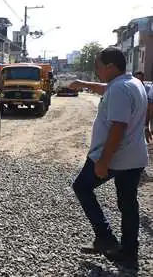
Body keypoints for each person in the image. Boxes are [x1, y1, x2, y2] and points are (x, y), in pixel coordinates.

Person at [69, 47, 150, 271]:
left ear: (111, 66)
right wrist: (84, 84)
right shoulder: (131, 83)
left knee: (82, 187)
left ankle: (105, 237)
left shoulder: (119, 90)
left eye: (98, 66)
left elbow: (118, 126)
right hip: (134, 158)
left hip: (115, 157)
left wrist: (104, 161)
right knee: (128, 205)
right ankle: (129, 254)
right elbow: (107, 88)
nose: (96, 71)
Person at [133, 71, 153, 183]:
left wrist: (147, 124)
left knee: (143, 142)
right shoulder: (131, 89)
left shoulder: (147, 89)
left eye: (140, 79)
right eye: (136, 79)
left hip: (143, 120)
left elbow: (149, 107)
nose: (138, 81)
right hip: (135, 121)